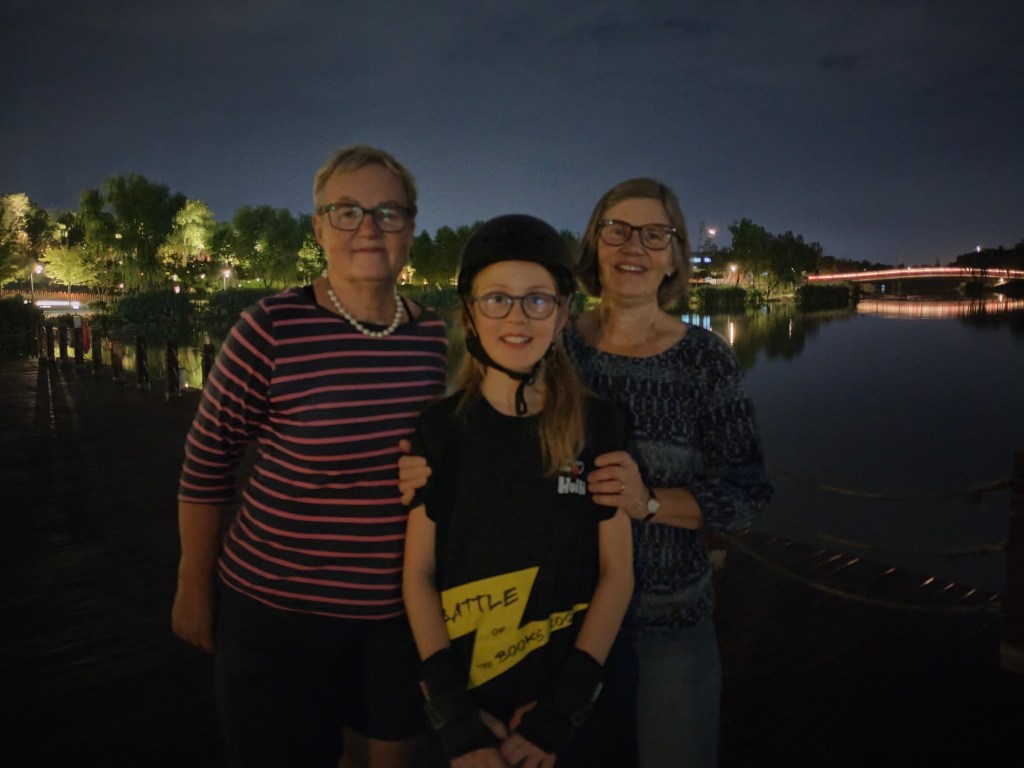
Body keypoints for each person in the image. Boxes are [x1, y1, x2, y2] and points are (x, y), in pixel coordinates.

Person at [400, 179, 773, 767]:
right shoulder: (554, 343)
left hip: (662, 618)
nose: (633, 246)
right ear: (593, 247)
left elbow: (748, 491)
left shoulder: (704, 359)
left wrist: (649, 502)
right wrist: (427, 466)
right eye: (616, 230)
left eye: (655, 234)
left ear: (675, 255)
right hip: (546, 631)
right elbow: (488, 416)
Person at [172, 144, 449, 768]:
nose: (369, 228)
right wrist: (193, 584)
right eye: (347, 211)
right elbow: (208, 462)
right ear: (320, 228)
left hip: (395, 613)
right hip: (278, 612)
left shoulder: (431, 334)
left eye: (388, 212)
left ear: (410, 227)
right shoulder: (271, 328)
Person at [402, 214, 635, 767]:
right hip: (470, 694)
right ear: (470, 314)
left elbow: (617, 573)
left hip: (565, 697)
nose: (517, 317)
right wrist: (454, 713)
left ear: (562, 315)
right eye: (496, 299)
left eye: (537, 300)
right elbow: (418, 574)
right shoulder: (440, 430)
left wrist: (564, 707)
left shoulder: (598, 425)